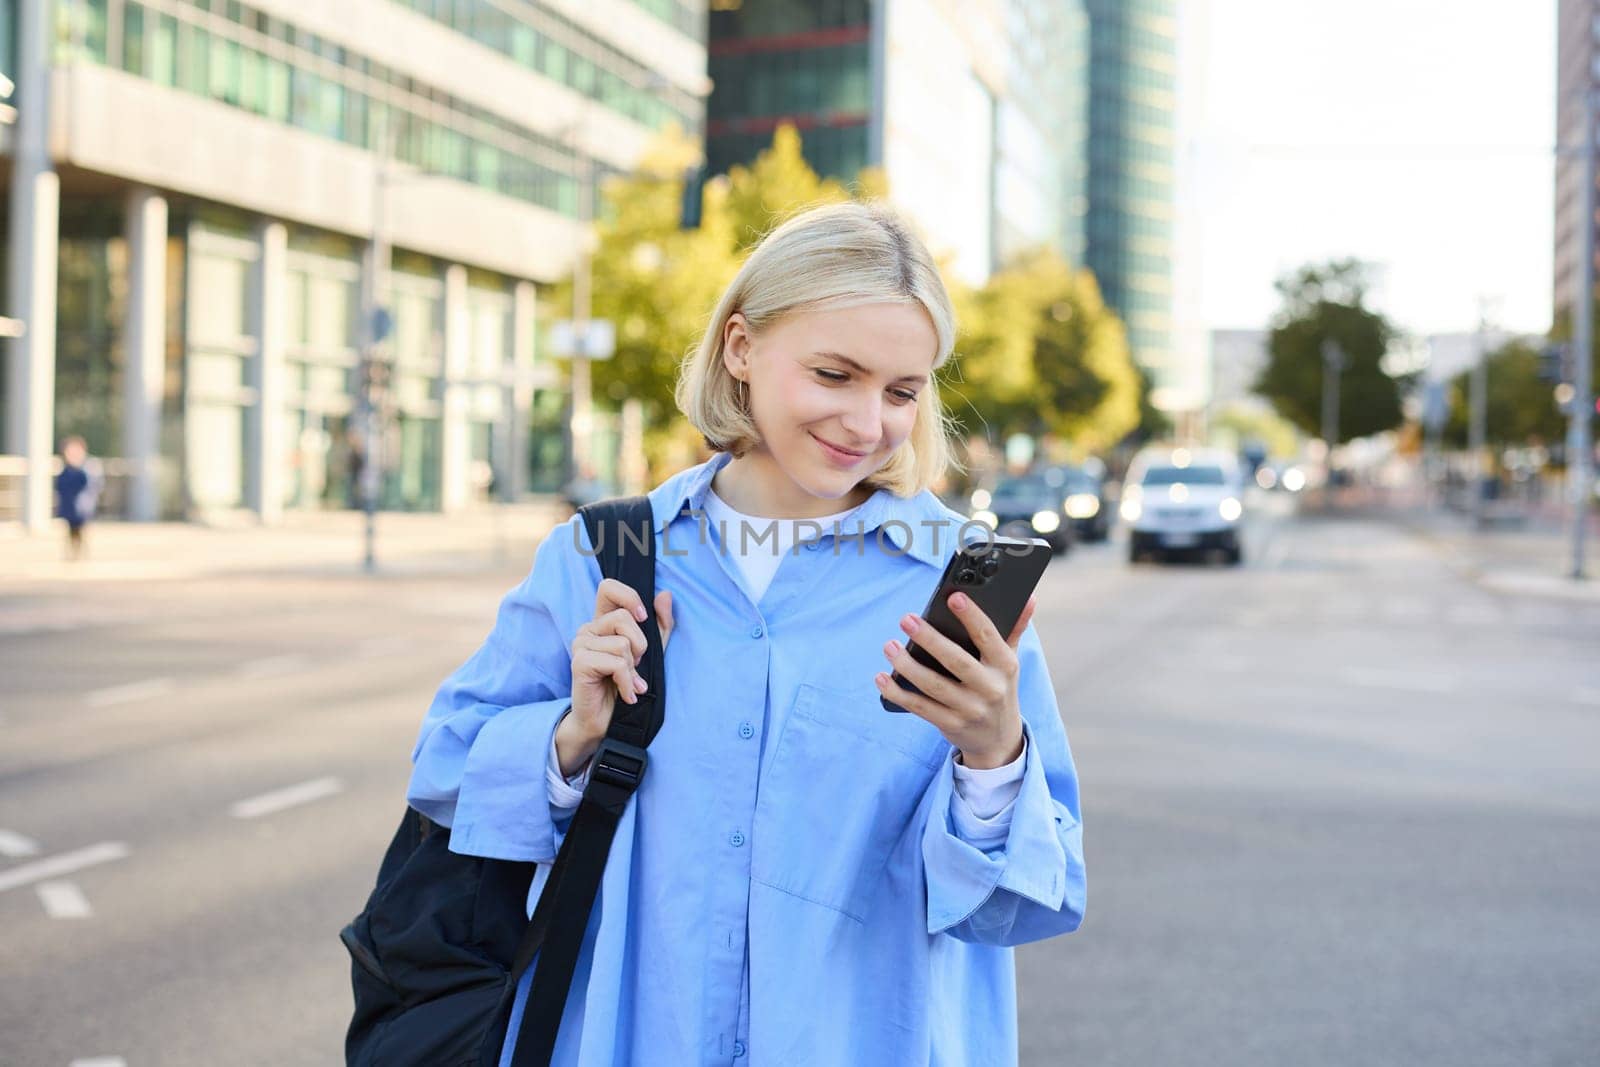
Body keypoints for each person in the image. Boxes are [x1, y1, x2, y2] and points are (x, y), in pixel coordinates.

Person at [407, 202, 1086, 1066]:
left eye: (903, 391)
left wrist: (994, 759)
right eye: (835, 374)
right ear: (740, 348)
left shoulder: (950, 582)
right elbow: (445, 775)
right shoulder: (602, 556)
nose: (868, 421)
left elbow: (1026, 901)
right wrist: (572, 736)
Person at [53, 435, 99, 561]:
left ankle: (80, 553)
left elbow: (90, 486)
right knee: (70, 531)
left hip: (82, 508)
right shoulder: (66, 470)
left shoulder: (86, 469)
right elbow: (60, 487)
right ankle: (73, 553)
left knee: (81, 531)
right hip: (69, 508)